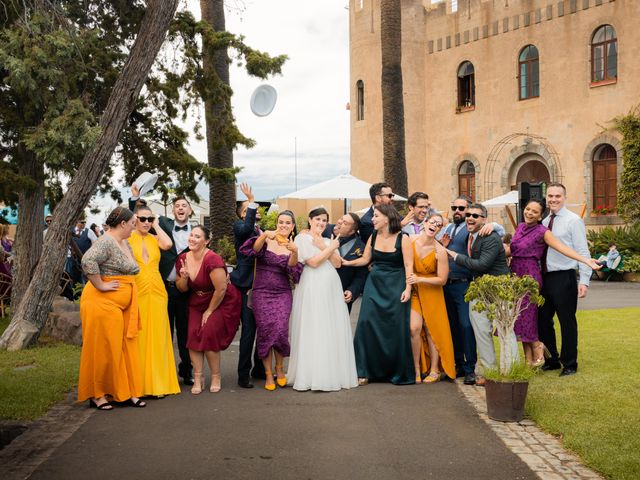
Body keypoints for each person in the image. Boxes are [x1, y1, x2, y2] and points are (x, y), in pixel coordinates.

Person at [506, 199, 600, 367]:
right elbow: (512, 250)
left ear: (540, 215)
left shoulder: (543, 231)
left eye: (534, 211)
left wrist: (585, 261)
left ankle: (540, 349)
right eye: (528, 209)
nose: (529, 213)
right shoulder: (520, 227)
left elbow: (561, 247)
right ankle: (529, 360)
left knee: (528, 317)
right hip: (515, 276)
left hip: (530, 277)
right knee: (520, 317)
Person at [77, 207, 146, 410]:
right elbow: (87, 260)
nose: (136, 227)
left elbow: (132, 267)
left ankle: (124, 392)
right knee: (103, 350)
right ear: (123, 224)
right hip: (102, 303)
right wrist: (100, 284)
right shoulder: (106, 241)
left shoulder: (124, 241)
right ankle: (97, 395)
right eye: (133, 223)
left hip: (122, 304)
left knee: (124, 349)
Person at [287, 208, 358, 392]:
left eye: (325, 220)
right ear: (310, 220)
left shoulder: (328, 240)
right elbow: (313, 262)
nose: (321, 222)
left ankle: (332, 372)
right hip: (312, 285)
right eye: (318, 219)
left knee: (329, 326)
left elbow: (336, 263)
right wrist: (327, 248)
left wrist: (325, 246)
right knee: (313, 325)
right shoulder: (301, 239)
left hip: (331, 287)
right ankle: (311, 374)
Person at [129, 184, 194, 385]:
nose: (181, 208)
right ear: (172, 211)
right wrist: (136, 198)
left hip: (186, 289)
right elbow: (139, 218)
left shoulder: (199, 232)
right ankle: (154, 371)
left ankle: (187, 370)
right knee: (159, 331)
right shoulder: (162, 224)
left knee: (185, 333)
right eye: (177, 205)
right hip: (163, 286)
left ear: (190, 210)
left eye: (185, 205)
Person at [343, 204, 414, 385]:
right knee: (367, 323)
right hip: (374, 285)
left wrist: (408, 288)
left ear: (387, 218)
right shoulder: (373, 237)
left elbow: (408, 266)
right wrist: (346, 263)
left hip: (396, 285)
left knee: (395, 327)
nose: (372, 219)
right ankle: (364, 370)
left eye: (375, 216)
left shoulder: (403, 238)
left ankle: (394, 372)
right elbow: (366, 259)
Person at [439, 195, 505, 386]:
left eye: (464, 209)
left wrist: (494, 224)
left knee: (468, 326)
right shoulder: (448, 228)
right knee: (456, 327)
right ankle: (459, 364)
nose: (460, 212)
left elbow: (496, 231)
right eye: (456, 208)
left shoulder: (483, 230)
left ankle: (470, 368)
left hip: (467, 283)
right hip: (448, 284)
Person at [239, 210, 303, 391]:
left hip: (282, 292)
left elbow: (292, 269)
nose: (283, 225)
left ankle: (280, 369)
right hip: (261, 292)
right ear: (277, 224)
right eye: (281, 222)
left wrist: (295, 252)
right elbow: (254, 251)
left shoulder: (292, 245)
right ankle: (268, 373)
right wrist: (265, 235)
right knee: (266, 331)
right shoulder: (266, 238)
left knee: (281, 330)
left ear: (292, 227)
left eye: (287, 223)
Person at [176, 225, 241, 394]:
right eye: (191, 235)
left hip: (219, 300)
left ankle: (216, 376)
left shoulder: (213, 259)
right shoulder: (182, 258)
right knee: (192, 337)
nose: (192, 239)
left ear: (206, 242)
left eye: (197, 237)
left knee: (209, 333)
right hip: (196, 301)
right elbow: (182, 288)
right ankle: (198, 378)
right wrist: (183, 278)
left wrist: (210, 310)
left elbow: (221, 289)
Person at [538, 183, 592, 376]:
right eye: (550, 196)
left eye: (557, 196)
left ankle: (570, 363)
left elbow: (582, 251)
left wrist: (584, 280)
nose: (553, 199)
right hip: (544, 278)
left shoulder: (573, 220)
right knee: (542, 320)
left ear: (565, 197)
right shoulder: (543, 223)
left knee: (566, 321)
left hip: (564, 277)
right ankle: (551, 359)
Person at [128, 206, 181, 397]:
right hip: (137, 289)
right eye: (142, 219)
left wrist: (157, 225)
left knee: (158, 336)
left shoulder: (154, 238)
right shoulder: (127, 238)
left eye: (149, 219)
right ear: (135, 218)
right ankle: (139, 384)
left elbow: (168, 244)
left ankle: (158, 383)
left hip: (157, 291)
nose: (146, 222)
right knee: (139, 336)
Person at [407, 213, 455, 383]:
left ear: (440, 230)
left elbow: (442, 280)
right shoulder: (410, 240)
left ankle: (434, 369)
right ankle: (416, 368)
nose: (434, 225)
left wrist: (420, 279)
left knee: (431, 329)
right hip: (413, 291)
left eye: (439, 224)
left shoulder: (439, 251)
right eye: (432, 221)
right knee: (414, 328)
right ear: (425, 223)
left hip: (432, 291)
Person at [230, 183, 266, 389]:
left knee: (263, 329)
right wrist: (250, 202)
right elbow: (245, 231)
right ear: (243, 215)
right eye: (249, 210)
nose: (255, 210)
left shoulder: (260, 230)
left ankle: (259, 368)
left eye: (254, 209)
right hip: (247, 287)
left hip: (264, 287)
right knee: (249, 332)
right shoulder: (240, 227)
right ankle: (243, 374)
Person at [334, 213, 368, 312]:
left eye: (345, 222)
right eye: (341, 218)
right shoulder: (326, 234)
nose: (340, 222)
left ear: (352, 231)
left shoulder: (361, 248)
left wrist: (352, 291)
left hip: (342, 294)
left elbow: (361, 276)